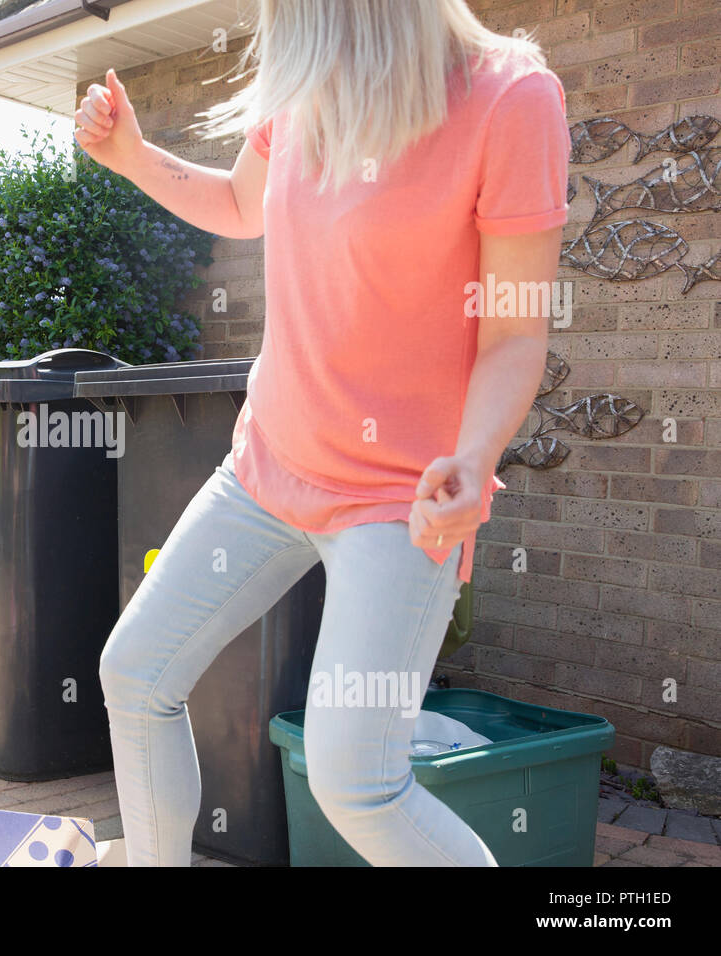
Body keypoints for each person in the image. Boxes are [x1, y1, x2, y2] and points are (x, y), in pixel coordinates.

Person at [75, 0, 568, 865]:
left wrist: (476, 454)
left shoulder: (509, 97)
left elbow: (515, 329)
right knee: (136, 674)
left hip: (397, 499)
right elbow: (238, 203)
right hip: (268, 467)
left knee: (355, 783)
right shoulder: (305, 86)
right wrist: (131, 156)